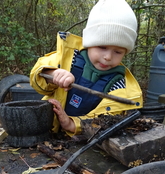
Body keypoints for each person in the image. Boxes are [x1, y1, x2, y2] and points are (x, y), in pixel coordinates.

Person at [30, 0, 143, 137]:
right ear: (89, 43)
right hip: (47, 131)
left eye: (117, 52)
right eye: (102, 47)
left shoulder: (120, 86)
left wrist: (72, 124)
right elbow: (37, 76)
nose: (108, 57)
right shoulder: (67, 59)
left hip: (83, 140)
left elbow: (106, 121)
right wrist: (53, 74)